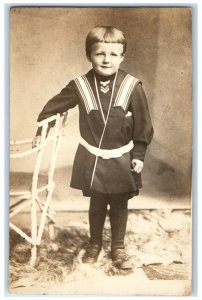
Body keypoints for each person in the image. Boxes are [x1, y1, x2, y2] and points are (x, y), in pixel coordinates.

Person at [33, 25, 154, 270]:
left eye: (113, 54)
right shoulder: (80, 85)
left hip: (122, 158)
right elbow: (51, 109)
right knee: (97, 202)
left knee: (119, 203)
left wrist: (138, 154)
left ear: (122, 57)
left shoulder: (132, 86)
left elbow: (143, 125)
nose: (106, 60)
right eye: (100, 54)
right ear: (89, 55)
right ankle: (94, 243)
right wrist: (41, 130)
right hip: (93, 158)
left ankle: (118, 247)